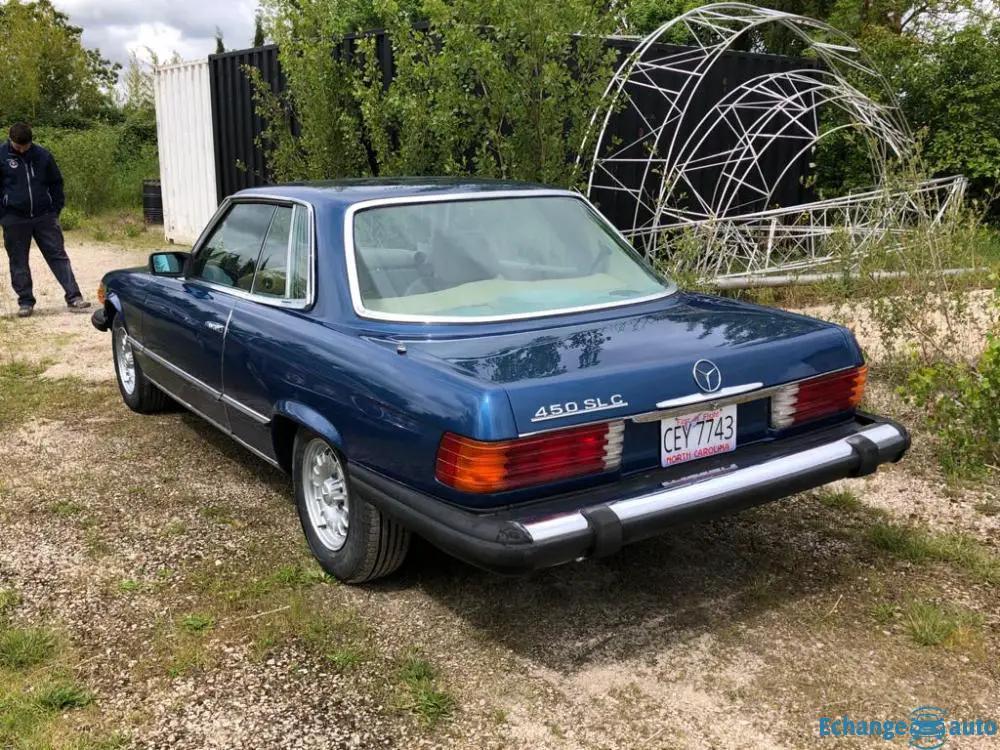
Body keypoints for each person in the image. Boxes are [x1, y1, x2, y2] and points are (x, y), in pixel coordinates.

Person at [0, 123, 90, 318]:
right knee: (18, 261)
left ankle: (74, 297)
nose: (22, 150)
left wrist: (55, 210)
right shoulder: (1, 156)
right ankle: (25, 302)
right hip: (14, 218)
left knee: (58, 256)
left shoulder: (43, 155)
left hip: (44, 216)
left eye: (26, 146)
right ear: (10, 140)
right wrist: (4, 214)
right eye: (18, 147)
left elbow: (56, 183)